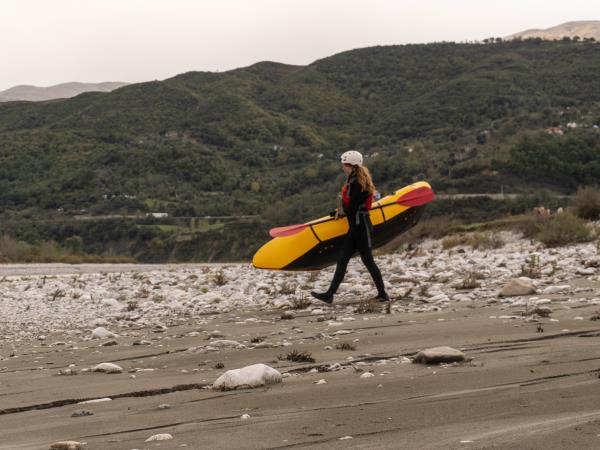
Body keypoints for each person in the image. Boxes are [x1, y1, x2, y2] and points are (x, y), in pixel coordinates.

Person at [311, 150, 390, 304]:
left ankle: (383, 294)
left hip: (361, 227)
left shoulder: (357, 183)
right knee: (343, 259)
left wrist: (341, 210)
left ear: (353, 166)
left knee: (368, 261)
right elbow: (351, 208)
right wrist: (340, 211)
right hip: (356, 226)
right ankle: (329, 294)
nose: (343, 168)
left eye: (345, 165)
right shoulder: (353, 181)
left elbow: (352, 208)